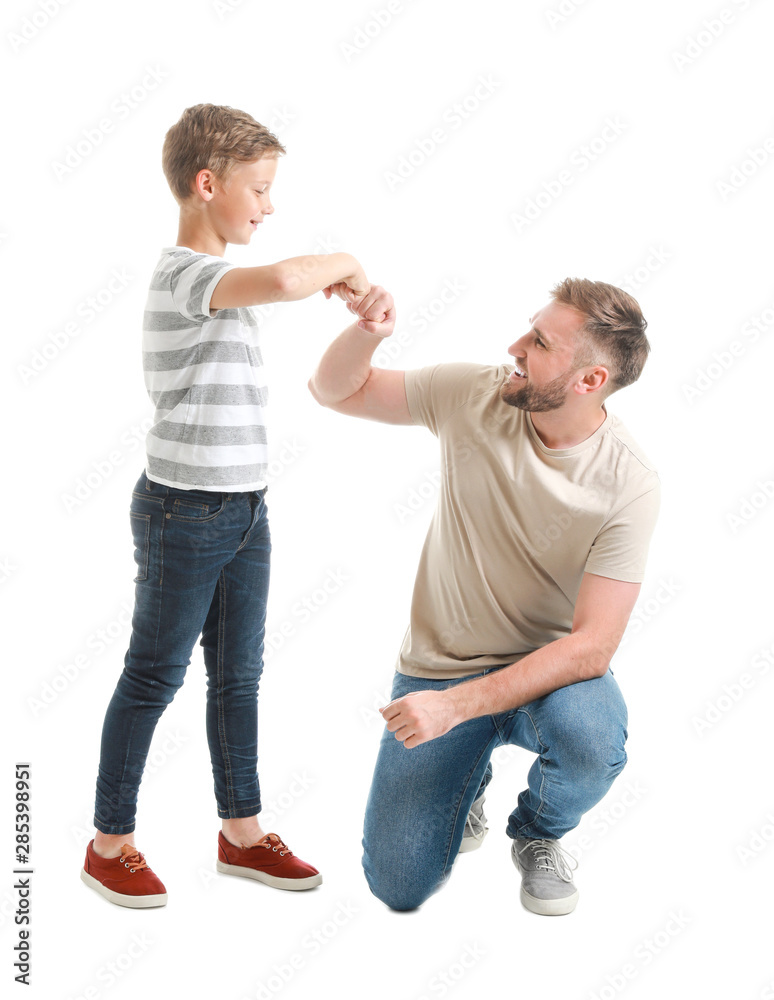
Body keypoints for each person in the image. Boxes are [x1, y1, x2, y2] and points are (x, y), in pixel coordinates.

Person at [81, 103, 371, 908]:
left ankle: (240, 834)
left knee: (238, 677)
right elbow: (285, 278)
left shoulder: (222, 288)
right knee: (153, 675)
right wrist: (346, 259)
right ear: (207, 186)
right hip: (184, 513)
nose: (270, 207)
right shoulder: (185, 274)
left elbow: (272, 285)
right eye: (261, 189)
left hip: (245, 510)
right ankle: (110, 845)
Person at [309, 277, 660, 915]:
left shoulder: (628, 483)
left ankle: (537, 833)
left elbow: (592, 650)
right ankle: (467, 783)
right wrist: (368, 334)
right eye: (530, 329)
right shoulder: (478, 393)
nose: (515, 346)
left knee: (592, 740)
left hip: (547, 679)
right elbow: (335, 391)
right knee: (397, 885)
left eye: (540, 342)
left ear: (589, 380)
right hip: (437, 669)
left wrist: (456, 709)